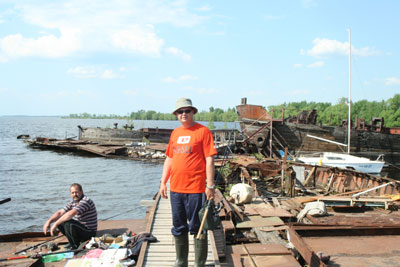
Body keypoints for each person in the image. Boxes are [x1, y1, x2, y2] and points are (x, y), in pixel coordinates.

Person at [159, 97, 217, 267]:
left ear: (193, 112)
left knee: (199, 227)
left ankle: (199, 263)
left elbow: (210, 160)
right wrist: (163, 182)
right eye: (180, 111)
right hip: (176, 189)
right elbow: (169, 159)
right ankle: (181, 261)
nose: (183, 114)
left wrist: (210, 185)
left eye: (186, 111)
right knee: (178, 226)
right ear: (176, 115)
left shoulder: (203, 131)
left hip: (196, 189)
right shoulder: (175, 133)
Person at [43, 183, 97, 249]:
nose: (75, 194)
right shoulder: (73, 202)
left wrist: (55, 224)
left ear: (81, 191)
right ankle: (73, 241)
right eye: (73, 193)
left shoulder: (85, 201)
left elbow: (70, 214)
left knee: (68, 223)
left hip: (89, 232)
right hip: (80, 228)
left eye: (76, 192)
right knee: (60, 220)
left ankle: (75, 246)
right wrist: (49, 221)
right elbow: (60, 213)